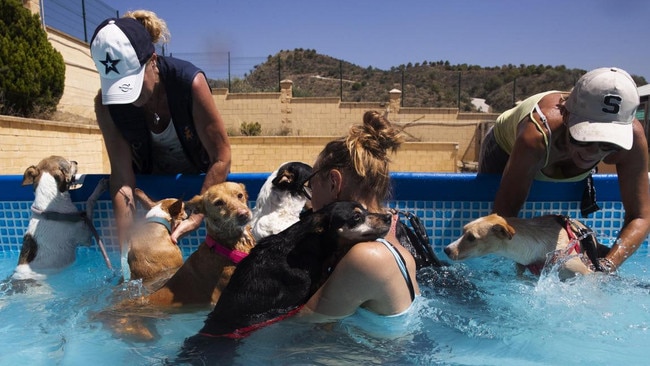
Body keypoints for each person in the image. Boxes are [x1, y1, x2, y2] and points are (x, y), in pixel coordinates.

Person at [478, 67, 650, 273]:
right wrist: (523, 260)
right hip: (504, 147)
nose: (592, 154)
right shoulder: (536, 137)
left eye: (607, 144)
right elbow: (503, 217)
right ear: (567, 115)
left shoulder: (632, 141)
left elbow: (640, 217)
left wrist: (607, 266)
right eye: (585, 138)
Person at [89, 10, 231, 248]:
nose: (128, 97)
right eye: (117, 86)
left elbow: (221, 156)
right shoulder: (107, 106)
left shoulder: (190, 84)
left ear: (153, 60)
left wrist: (197, 216)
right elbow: (122, 179)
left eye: (132, 83)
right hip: (152, 189)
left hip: (197, 184)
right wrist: (126, 254)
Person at [298, 111, 421, 333]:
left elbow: (301, 324)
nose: (310, 198)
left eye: (312, 185)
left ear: (334, 183)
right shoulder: (393, 242)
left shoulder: (368, 257)